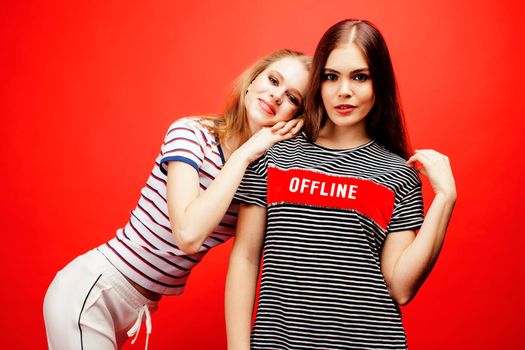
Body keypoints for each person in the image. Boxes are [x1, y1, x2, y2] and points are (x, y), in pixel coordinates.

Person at [43, 49, 311, 350]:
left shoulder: (261, 175)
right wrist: (246, 152)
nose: (276, 96)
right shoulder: (192, 134)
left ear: (297, 117)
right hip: (93, 291)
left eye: (292, 98)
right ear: (251, 82)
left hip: (134, 307)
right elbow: (188, 234)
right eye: (273, 80)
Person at [225, 19, 457, 349]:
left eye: (359, 77)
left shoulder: (398, 173)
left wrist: (445, 199)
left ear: (380, 84)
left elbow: (401, 288)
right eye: (331, 76)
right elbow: (245, 257)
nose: (343, 90)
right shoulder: (275, 153)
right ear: (318, 81)